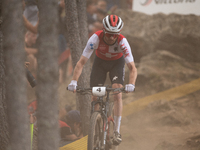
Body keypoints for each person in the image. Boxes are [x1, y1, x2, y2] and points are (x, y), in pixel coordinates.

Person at [67, 15, 137, 146]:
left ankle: (116, 131)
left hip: (117, 64)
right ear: (104, 31)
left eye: (115, 35)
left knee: (117, 92)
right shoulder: (95, 38)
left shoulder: (122, 42)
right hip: (100, 64)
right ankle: (96, 125)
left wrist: (131, 84)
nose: (112, 37)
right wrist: (74, 82)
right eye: (109, 34)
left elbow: (132, 67)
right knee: (95, 96)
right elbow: (81, 62)